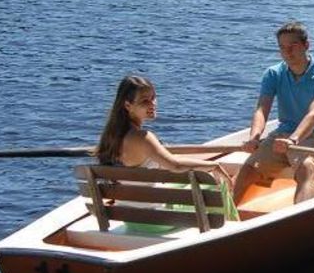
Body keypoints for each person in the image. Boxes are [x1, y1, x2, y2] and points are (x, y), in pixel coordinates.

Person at [95, 75, 238, 220]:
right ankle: (232, 226)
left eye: (154, 98)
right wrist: (214, 166)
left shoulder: (111, 137)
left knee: (183, 184)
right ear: (127, 105)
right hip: (157, 219)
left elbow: (169, 159)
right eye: (145, 101)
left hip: (130, 217)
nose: (153, 104)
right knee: (214, 182)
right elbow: (174, 165)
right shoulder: (143, 137)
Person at [233, 21, 314, 204]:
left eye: (293, 46)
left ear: (306, 45)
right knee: (248, 168)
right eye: (282, 47)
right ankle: (225, 221)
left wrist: (293, 140)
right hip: (281, 135)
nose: (287, 52)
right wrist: (254, 138)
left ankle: (301, 219)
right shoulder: (273, 74)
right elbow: (262, 109)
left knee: (306, 168)